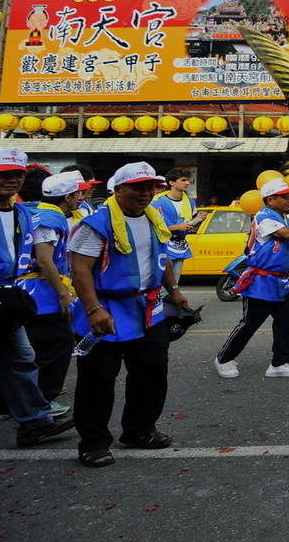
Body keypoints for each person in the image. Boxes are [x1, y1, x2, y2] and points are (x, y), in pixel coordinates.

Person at [69, 161, 189, 468]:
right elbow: (80, 268)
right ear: (118, 189)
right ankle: (93, 443)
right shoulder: (97, 223)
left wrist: (172, 289)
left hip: (148, 309)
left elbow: (159, 256)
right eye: (138, 187)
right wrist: (94, 309)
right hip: (106, 309)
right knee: (98, 379)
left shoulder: (154, 217)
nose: (146, 192)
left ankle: (139, 431)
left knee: (151, 373)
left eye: (151, 187)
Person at [0, 148, 76, 449]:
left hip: (6, 299)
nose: (12, 180)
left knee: (21, 360)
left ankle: (34, 423)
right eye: (4, 174)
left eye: (18, 174)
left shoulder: (22, 213)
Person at [215, 178, 289, 379]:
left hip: (286, 279)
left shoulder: (285, 217)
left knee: (286, 322)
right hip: (262, 280)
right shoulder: (264, 217)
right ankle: (224, 359)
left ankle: (279, 363)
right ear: (270, 200)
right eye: (284, 196)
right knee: (250, 323)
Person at [23, 171, 92, 414]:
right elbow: (44, 261)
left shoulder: (37, 211)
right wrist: (63, 293)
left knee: (32, 349)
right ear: (67, 196)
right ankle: (42, 401)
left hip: (32, 292)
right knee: (57, 346)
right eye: (78, 194)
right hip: (41, 294)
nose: (81, 198)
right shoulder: (50, 220)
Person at [152, 169, 207, 282]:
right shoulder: (157, 203)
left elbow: (190, 224)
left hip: (181, 245)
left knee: (174, 282)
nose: (187, 183)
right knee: (160, 280)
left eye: (187, 180)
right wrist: (176, 227)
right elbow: (152, 228)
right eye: (183, 180)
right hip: (163, 244)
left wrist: (198, 220)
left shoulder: (190, 202)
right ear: (171, 183)